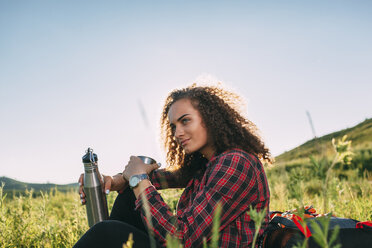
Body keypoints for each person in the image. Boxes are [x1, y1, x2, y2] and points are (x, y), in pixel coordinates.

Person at [75, 84, 272, 248]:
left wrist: (138, 180)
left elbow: (181, 239)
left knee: (107, 232)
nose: (178, 133)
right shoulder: (206, 164)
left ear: (212, 119)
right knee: (128, 198)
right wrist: (114, 181)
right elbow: (158, 177)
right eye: (173, 126)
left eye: (185, 121)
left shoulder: (236, 163)